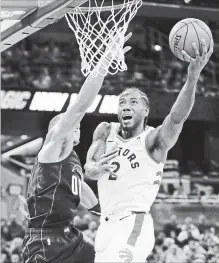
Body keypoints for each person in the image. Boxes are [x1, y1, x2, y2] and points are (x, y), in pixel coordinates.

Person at [84, 39, 214, 262]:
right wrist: (98, 167)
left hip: (134, 223)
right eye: (122, 102)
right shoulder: (105, 130)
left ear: (145, 111)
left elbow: (176, 117)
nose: (125, 105)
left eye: (133, 102)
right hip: (105, 225)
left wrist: (192, 76)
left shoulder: (153, 140)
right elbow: (89, 170)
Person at [22, 31, 132, 263]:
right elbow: (81, 105)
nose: (76, 126)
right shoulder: (54, 147)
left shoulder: (69, 158)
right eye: (71, 123)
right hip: (45, 240)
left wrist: (102, 211)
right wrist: (104, 63)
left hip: (69, 235)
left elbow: (79, 186)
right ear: (57, 129)